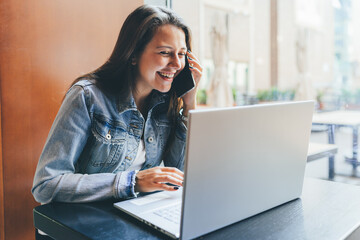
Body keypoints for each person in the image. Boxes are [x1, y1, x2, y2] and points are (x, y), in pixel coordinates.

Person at [32, 5, 202, 204]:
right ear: (133, 54)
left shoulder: (166, 103)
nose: (177, 64)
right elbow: (45, 185)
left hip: (135, 212)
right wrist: (133, 182)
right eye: (165, 52)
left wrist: (189, 104)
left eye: (182, 54)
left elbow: (179, 175)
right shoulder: (87, 96)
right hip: (87, 219)